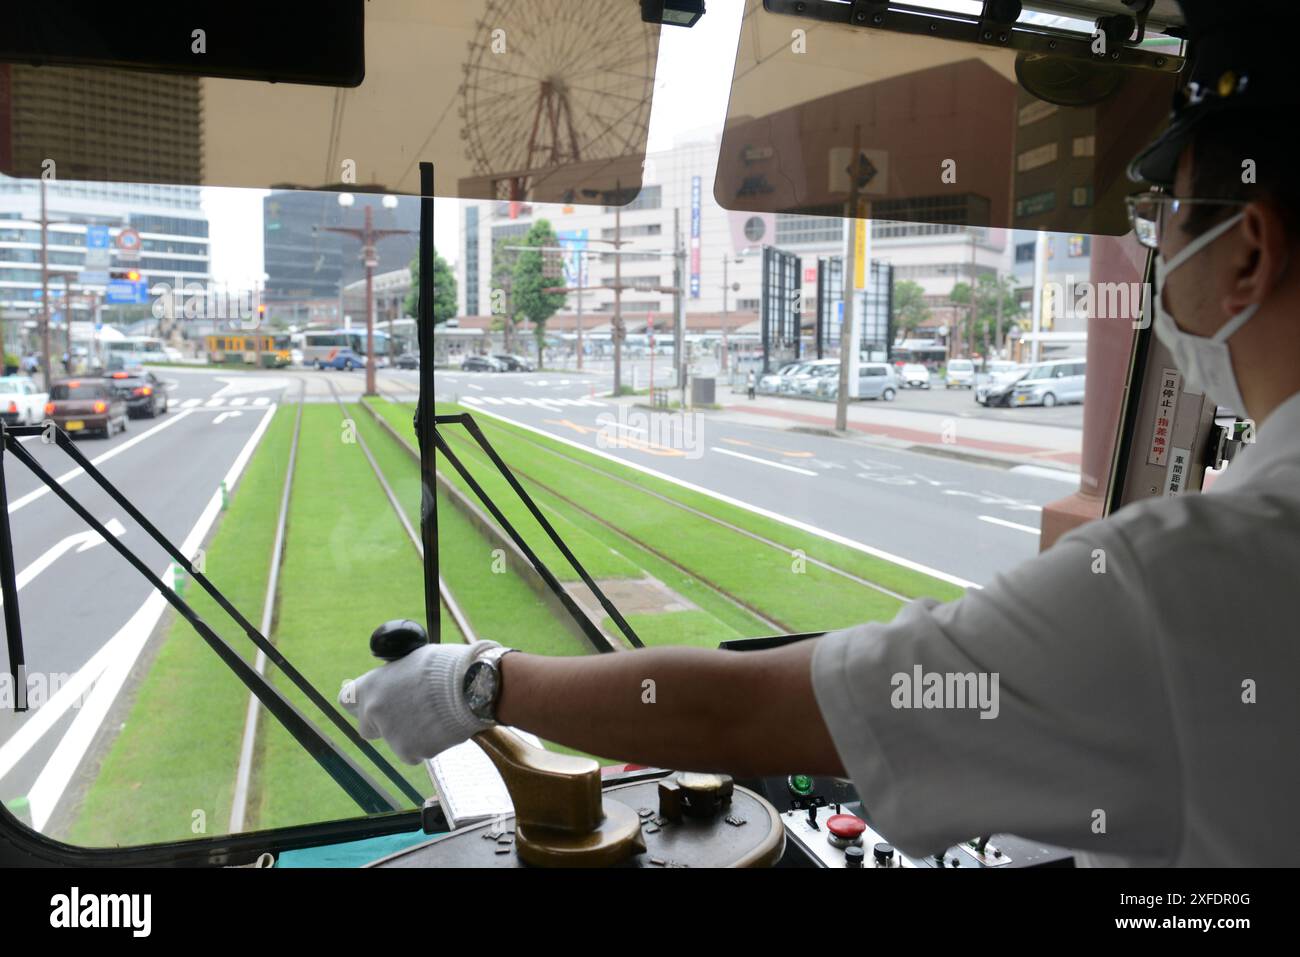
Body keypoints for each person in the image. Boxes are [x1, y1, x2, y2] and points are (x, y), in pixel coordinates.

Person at [342, 0, 1299, 866]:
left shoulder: (1193, 577)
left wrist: (475, 681)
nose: (1155, 245)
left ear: (1247, 250)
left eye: (1163, 211)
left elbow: (749, 708)